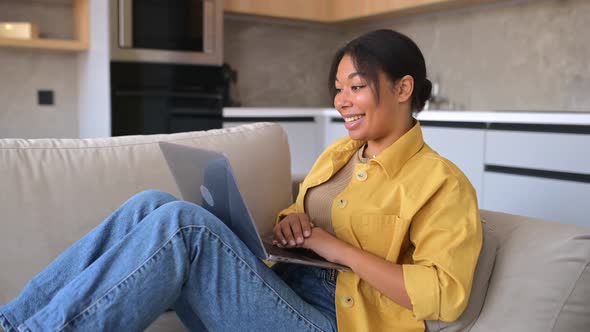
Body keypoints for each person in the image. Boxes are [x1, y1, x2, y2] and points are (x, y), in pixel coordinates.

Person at [0, 29, 482, 332]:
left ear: (403, 88)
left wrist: (335, 249)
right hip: (285, 292)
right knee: (151, 204)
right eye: (338, 89)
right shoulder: (339, 154)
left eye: (356, 87)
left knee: (185, 227)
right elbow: (304, 214)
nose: (342, 101)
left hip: (333, 322)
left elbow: (444, 296)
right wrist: (293, 224)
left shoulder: (443, 183)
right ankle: (12, 320)